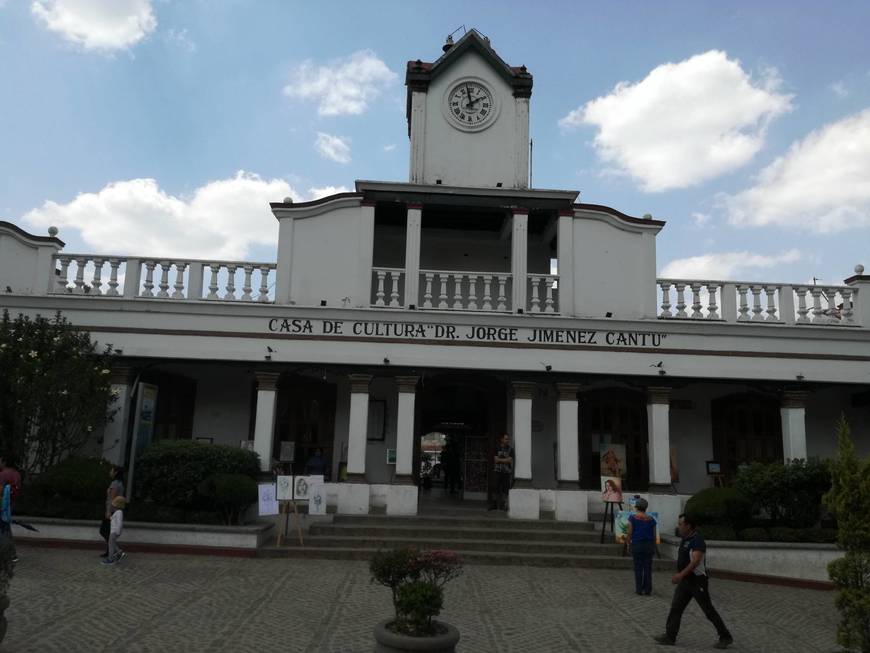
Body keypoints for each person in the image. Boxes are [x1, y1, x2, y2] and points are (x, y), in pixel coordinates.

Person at [655, 514, 733, 649]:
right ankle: (669, 636)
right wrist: (682, 576)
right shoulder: (685, 539)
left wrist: (680, 575)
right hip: (686, 581)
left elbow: (695, 561)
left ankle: (725, 636)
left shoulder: (697, 540)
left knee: (708, 610)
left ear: (688, 525)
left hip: (697, 581)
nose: (678, 527)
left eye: (680, 524)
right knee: (676, 607)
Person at [626, 497, 657, 595]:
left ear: (636, 507)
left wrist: (628, 543)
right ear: (646, 508)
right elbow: (654, 535)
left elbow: (630, 532)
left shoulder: (632, 518)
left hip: (637, 544)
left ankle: (639, 589)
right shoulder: (651, 519)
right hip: (649, 545)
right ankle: (647, 589)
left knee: (638, 567)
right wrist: (653, 546)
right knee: (647, 568)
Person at [100, 466, 125, 559]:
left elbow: (111, 498)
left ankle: (117, 551)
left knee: (104, 530)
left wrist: (108, 511)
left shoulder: (115, 484)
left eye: (111, 470)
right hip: (116, 510)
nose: (110, 472)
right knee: (108, 531)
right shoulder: (120, 483)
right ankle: (110, 551)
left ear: (116, 472)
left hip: (112, 511)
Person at [0, 456, 21, 562]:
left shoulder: (3, 474)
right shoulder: (16, 474)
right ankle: (11, 554)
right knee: (5, 529)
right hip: (9, 506)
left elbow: (0, 491)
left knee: (5, 530)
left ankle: (12, 554)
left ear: (4, 462)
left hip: (2, 507)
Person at [489, 434, 513, 511]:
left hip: (506, 472)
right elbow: (495, 460)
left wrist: (500, 460)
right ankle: (494, 504)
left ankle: (503, 505)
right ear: (501, 439)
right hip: (497, 471)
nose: (507, 440)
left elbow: (510, 460)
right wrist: (505, 460)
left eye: (508, 439)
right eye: (505, 439)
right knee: (495, 487)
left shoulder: (510, 449)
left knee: (505, 489)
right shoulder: (497, 448)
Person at [102, 496, 127, 566]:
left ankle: (111, 559)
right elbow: (114, 520)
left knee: (110, 544)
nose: (113, 505)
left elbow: (119, 523)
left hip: (114, 531)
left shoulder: (119, 512)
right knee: (112, 543)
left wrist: (117, 532)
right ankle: (119, 552)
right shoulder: (117, 512)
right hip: (113, 531)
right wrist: (110, 517)